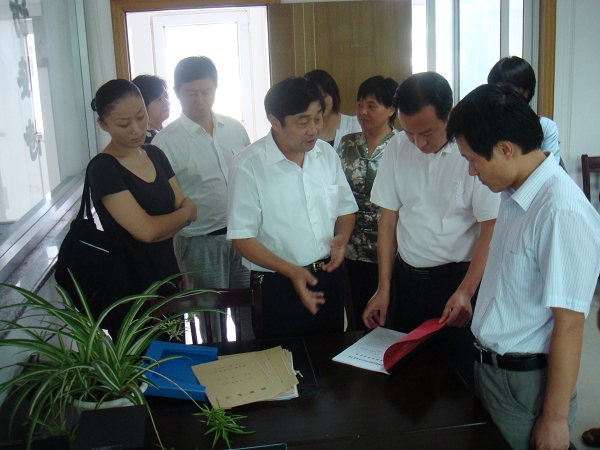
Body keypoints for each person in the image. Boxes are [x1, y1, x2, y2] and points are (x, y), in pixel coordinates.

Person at [446, 83, 600, 450]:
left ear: (505, 149)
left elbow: (570, 323)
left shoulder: (561, 211)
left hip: (525, 384)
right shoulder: (514, 191)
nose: (471, 171)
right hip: (491, 370)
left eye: (473, 160)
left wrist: (555, 418)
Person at [362, 72, 501, 388]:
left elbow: (490, 228)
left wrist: (466, 291)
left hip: (456, 283)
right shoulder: (397, 147)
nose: (418, 143)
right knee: (405, 375)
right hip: (407, 282)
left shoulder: (472, 153)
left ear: (449, 114)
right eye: (409, 132)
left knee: (456, 378)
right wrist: (384, 288)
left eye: (426, 132)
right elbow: (388, 221)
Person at [227, 76, 358, 338]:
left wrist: (342, 238)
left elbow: (345, 209)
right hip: (278, 282)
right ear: (275, 121)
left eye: (318, 118)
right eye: (303, 121)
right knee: (284, 358)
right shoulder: (249, 166)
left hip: (328, 275)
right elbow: (242, 238)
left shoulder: (326, 154)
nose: (313, 129)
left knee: (331, 352)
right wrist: (291, 271)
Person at [152, 56, 252, 341]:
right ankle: (215, 366)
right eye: (191, 93)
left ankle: (251, 362)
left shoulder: (234, 129)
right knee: (210, 322)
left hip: (243, 237)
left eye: (206, 92)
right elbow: (165, 202)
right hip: (199, 242)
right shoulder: (165, 143)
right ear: (177, 92)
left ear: (216, 89)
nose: (199, 100)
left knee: (250, 312)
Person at [87, 79, 197, 336]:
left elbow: (182, 206)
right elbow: (147, 231)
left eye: (141, 116)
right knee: (143, 357)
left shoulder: (155, 154)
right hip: (130, 291)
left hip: (168, 278)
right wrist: (183, 215)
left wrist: (178, 217)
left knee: (175, 352)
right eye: (123, 124)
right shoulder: (103, 168)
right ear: (103, 125)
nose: (136, 130)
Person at [337, 75, 399, 330]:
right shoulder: (347, 143)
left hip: (388, 250)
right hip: (350, 248)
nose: (362, 112)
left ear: (391, 109)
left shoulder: (401, 146)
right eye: (360, 104)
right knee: (356, 318)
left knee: (386, 320)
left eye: (371, 106)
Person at [487, 56, 561, 165]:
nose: (501, 95)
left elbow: (550, 168)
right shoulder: (487, 124)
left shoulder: (545, 126)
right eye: (496, 90)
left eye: (507, 90)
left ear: (526, 92)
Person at [304, 69, 361, 149]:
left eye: (324, 97)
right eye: (315, 98)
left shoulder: (354, 125)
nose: (320, 103)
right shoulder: (304, 130)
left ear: (334, 96)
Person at [132, 74, 170, 143]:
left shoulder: (168, 131)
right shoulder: (143, 140)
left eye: (166, 96)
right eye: (159, 99)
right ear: (143, 105)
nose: (166, 102)